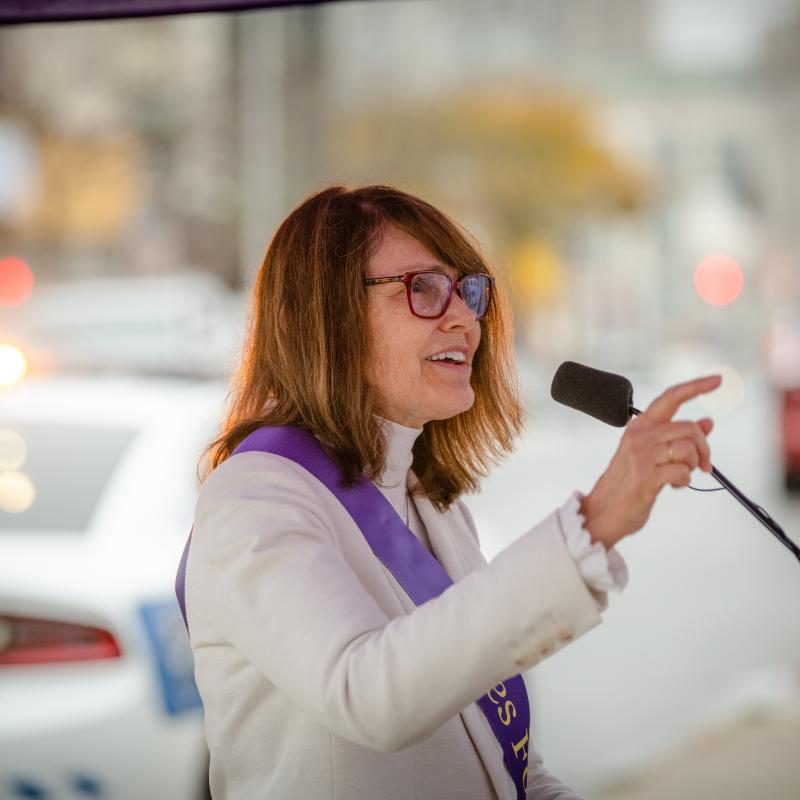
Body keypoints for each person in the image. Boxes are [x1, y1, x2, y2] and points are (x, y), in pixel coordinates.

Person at [179, 184, 719, 800]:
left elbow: (509, 770)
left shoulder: (429, 500)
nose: (466, 317)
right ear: (326, 316)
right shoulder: (254, 498)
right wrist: (592, 524)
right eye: (425, 288)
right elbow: (369, 696)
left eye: (468, 290)